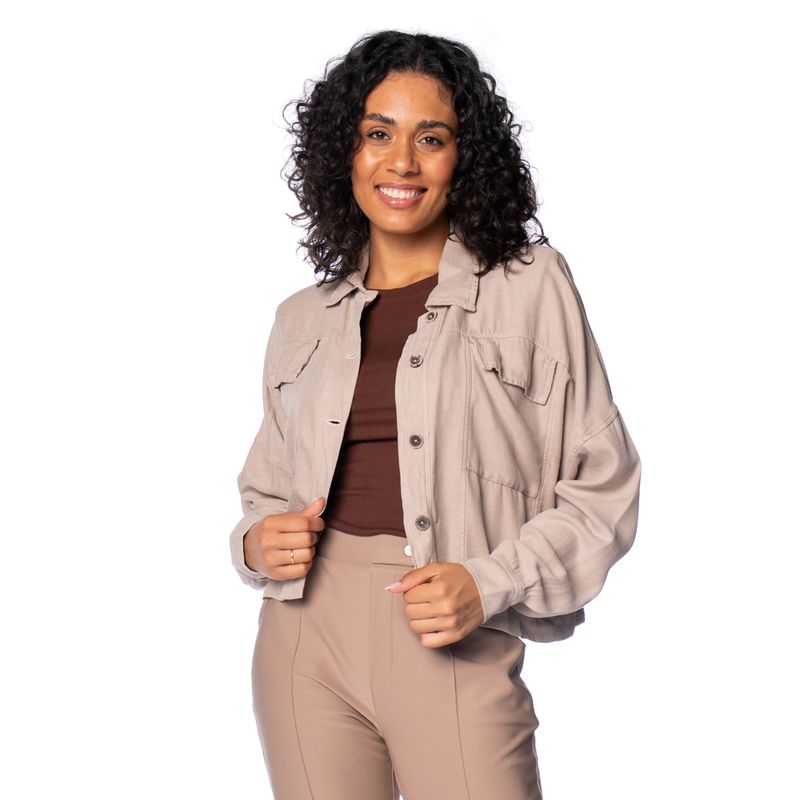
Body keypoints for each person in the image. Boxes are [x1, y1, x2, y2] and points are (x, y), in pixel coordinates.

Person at [228, 29, 642, 800]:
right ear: (345, 152)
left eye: (432, 138)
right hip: (303, 638)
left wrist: (491, 581)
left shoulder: (531, 286)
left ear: (465, 157)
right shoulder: (299, 319)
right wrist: (255, 542)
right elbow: (267, 491)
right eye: (377, 134)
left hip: (450, 630)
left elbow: (603, 488)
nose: (402, 162)